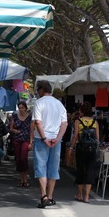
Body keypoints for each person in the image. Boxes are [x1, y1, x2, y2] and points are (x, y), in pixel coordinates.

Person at [32, 80, 68, 208]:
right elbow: (64, 124)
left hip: (42, 139)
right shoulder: (59, 104)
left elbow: (38, 122)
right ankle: (51, 196)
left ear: (42, 90)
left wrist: (44, 138)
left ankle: (44, 196)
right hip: (56, 140)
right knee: (54, 168)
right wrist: (58, 138)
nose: (37, 92)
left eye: (38, 90)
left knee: (40, 166)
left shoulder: (38, 103)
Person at [68, 102, 100, 203]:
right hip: (92, 150)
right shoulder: (95, 122)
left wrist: (71, 148)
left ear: (81, 111)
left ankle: (80, 194)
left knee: (80, 171)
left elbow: (75, 136)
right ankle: (87, 196)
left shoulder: (78, 121)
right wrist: (96, 148)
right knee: (90, 171)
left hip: (81, 149)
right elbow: (97, 138)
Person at [9, 102, 32, 187]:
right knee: (18, 160)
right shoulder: (14, 117)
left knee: (23, 159)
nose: (21, 109)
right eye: (19, 108)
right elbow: (10, 129)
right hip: (17, 140)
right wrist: (15, 131)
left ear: (25, 108)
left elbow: (31, 131)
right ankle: (21, 179)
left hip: (25, 140)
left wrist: (31, 142)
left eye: (22, 107)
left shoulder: (30, 118)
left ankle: (25, 179)